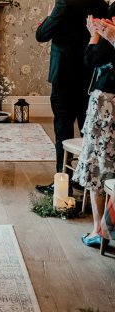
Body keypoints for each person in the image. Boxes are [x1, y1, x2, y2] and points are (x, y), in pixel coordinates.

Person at [35, 0, 108, 194]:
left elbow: (41, 35)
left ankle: (61, 183)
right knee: (87, 130)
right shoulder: (102, 5)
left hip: (64, 79)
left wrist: (48, 18)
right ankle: (84, 180)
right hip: (90, 78)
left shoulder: (64, 4)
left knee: (62, 130)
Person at [73, 14, 115, 247]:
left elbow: (90, 58)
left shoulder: (109, 29)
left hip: (106, 104)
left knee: (97, 165)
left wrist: (97, 35)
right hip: (105, 102)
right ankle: (103, 228)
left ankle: (100, 230)